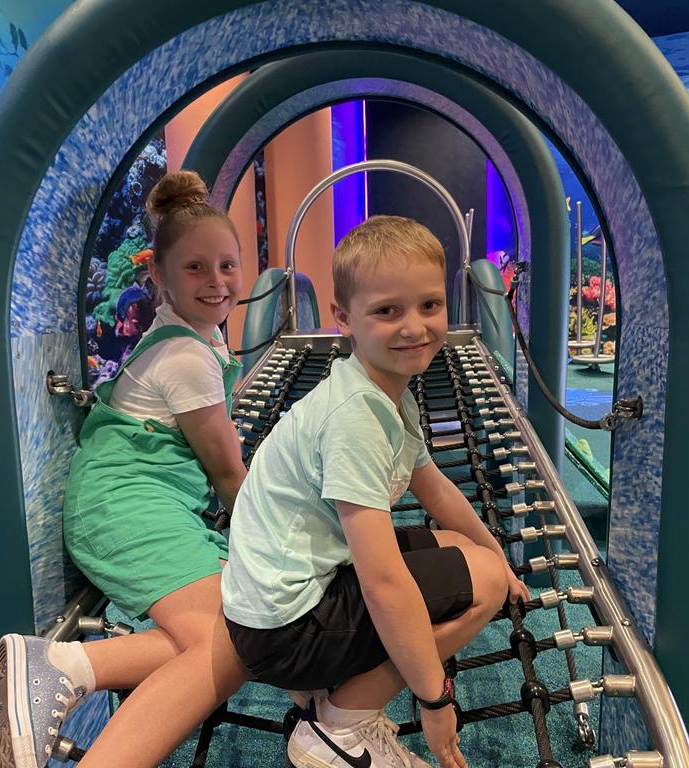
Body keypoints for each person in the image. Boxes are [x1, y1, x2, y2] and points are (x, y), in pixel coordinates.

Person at [221, 215, 530, 768]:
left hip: (283, 603)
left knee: (471, 556)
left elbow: (435, 489)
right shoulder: (355, 419)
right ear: (344, 319)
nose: (414, 326)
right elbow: (384, 583)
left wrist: (498, 555)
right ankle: (341, 726)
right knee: (477, 582)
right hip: (284, 631)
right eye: (388, 311)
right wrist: (435, 699)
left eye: (429, 305)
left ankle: (334, 699)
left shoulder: (385, 392)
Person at [0, 171, 250, 768]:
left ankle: (66, 668)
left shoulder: (195, 339)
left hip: (135, 502)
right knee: (236, 637)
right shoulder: (188, 355)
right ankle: (66, 679)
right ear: (156, 275)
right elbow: (229, 476)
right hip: (125, 508)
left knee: (235, 629)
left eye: (227, 266)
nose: (216, 282)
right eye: (195, 268)